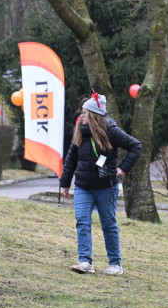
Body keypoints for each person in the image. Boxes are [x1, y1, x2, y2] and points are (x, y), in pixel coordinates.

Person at [59, 94, 142, 276]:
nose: (82, 115)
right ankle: (85, 261)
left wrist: (123, 169)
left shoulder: (111, 131)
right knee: (82, 221)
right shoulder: (80, 130)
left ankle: (115, 264)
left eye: (85, 112)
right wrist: (65, 183)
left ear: (95, 116)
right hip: (82, 186)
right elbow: (71, 157)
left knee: (108, 224)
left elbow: (136, 146)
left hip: (106, 186)